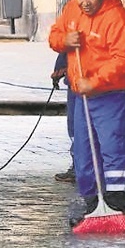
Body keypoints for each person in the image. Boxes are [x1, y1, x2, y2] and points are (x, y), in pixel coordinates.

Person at [48, 0, 125, 225]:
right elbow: (54, 36)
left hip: (113, 94)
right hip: (82, 94)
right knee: (83, 150)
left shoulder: (117, 18)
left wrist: (95, 81)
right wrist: (64, 40)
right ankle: (92, 204)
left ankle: (115, 204)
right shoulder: (71, 10)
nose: (85, 2)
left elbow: (124, 60)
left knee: (112, 148)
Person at [50, 51, 75, 182]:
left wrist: (59, 70)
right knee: (77, 129)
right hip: (78, 82)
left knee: (78, 128)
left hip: (83, 85)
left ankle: (80, 168)